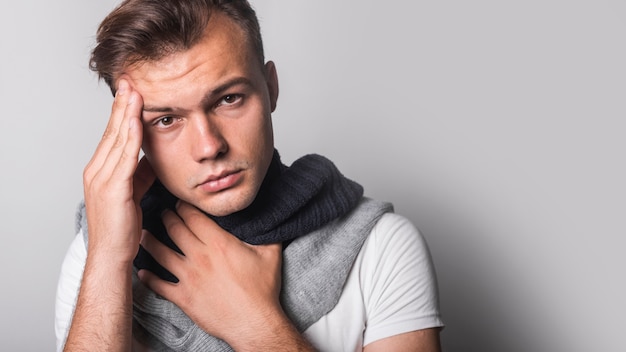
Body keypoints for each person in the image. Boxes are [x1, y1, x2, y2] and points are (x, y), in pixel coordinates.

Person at [54, 0, 444, 351]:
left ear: (271, 88)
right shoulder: (103, 250)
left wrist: (255, 324)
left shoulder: (381, 246)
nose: (209, 147)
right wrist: (107, 258)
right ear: (132, 134)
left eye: (228, 99)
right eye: (167, 120)